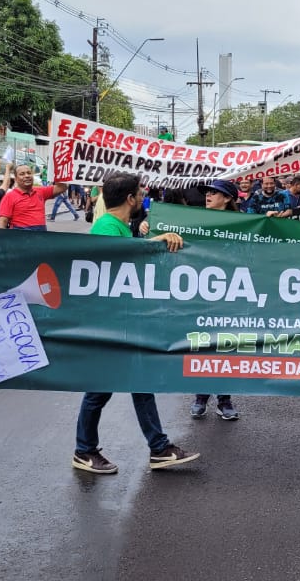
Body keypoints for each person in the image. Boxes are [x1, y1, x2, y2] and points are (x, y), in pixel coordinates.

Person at [72, 172, 199, 474]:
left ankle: (157, 447)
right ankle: (87, 450)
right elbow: (114, 260)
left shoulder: (118, 226)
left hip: (122, 322)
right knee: (101, 389)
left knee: (134, 384)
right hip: (110, 324)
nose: (142, 197)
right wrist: (154, 242)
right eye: (140, 193)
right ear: (131, 198)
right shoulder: (106, 226)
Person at [190, 179, 243, 420]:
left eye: (214, 192)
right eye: (207, 192)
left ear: (228, 198)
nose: (208, 195)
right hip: (202, 294)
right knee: (202, 346)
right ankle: (201, 397)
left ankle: (224, 400)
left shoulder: (245, 224)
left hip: (232, 294)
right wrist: (150, 226)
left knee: (226, 347)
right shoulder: (196, 221)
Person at [0, 164, 67, 230]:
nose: (27, 176)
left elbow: (62, 187)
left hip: (40, 238)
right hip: (20, 238)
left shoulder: (41, 191)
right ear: (16, 179)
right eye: (22, 174)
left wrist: (59, 167)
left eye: (29, 173)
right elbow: (3, 222)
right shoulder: (9, 197)